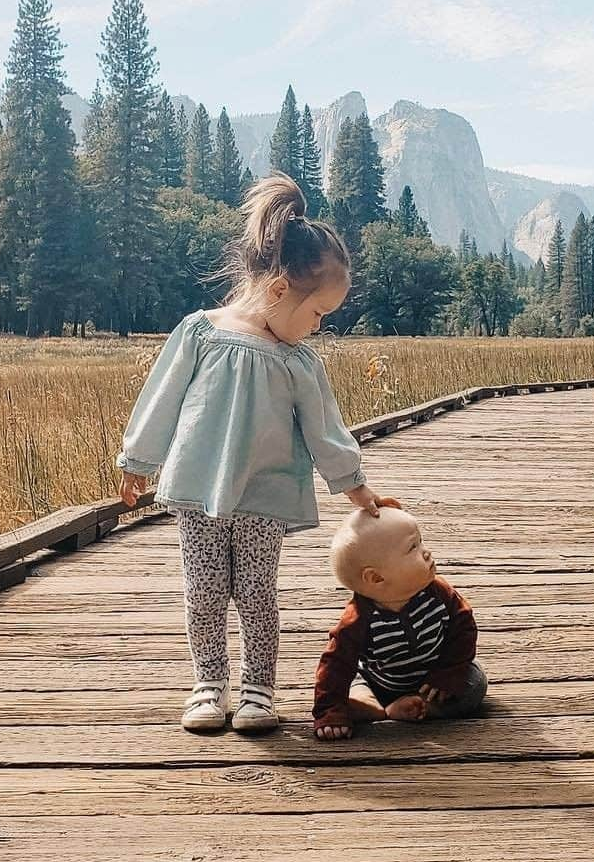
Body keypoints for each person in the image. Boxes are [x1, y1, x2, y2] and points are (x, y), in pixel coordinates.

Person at [116, 175, 395, 735]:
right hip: (198, 489)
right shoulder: (201, 333)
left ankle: (258, 690)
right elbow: (161, 398)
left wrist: (354, 484)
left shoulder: (297, 363)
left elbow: (326, 429)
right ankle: (207, 685)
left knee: (256, 593)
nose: (317, 329)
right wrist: (137, 460)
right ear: (276, 292)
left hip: (264, 494)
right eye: (317, 315)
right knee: (204, 590)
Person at [313, 505, 487, 740]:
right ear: (376, 578)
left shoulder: (440, 594)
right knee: (353, 679)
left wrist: (447, 674)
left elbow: (464, 630)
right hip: (379, 680)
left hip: (433, 678)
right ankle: (368, 702)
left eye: (421, 542)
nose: (426, 552)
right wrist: (329, 711)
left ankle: (421, 706)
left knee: (475, 684)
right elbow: (335, 664)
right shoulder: (358, 620)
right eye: (412, 548)